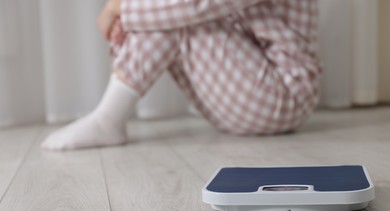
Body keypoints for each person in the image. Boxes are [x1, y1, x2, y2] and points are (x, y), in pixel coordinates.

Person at [41, 0, 321, 151]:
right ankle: (107, 119)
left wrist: (119, 8)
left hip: (284, 95)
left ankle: (107, 119)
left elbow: (196, 5)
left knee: (174, 16)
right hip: (253, 94)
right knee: (162, 11)